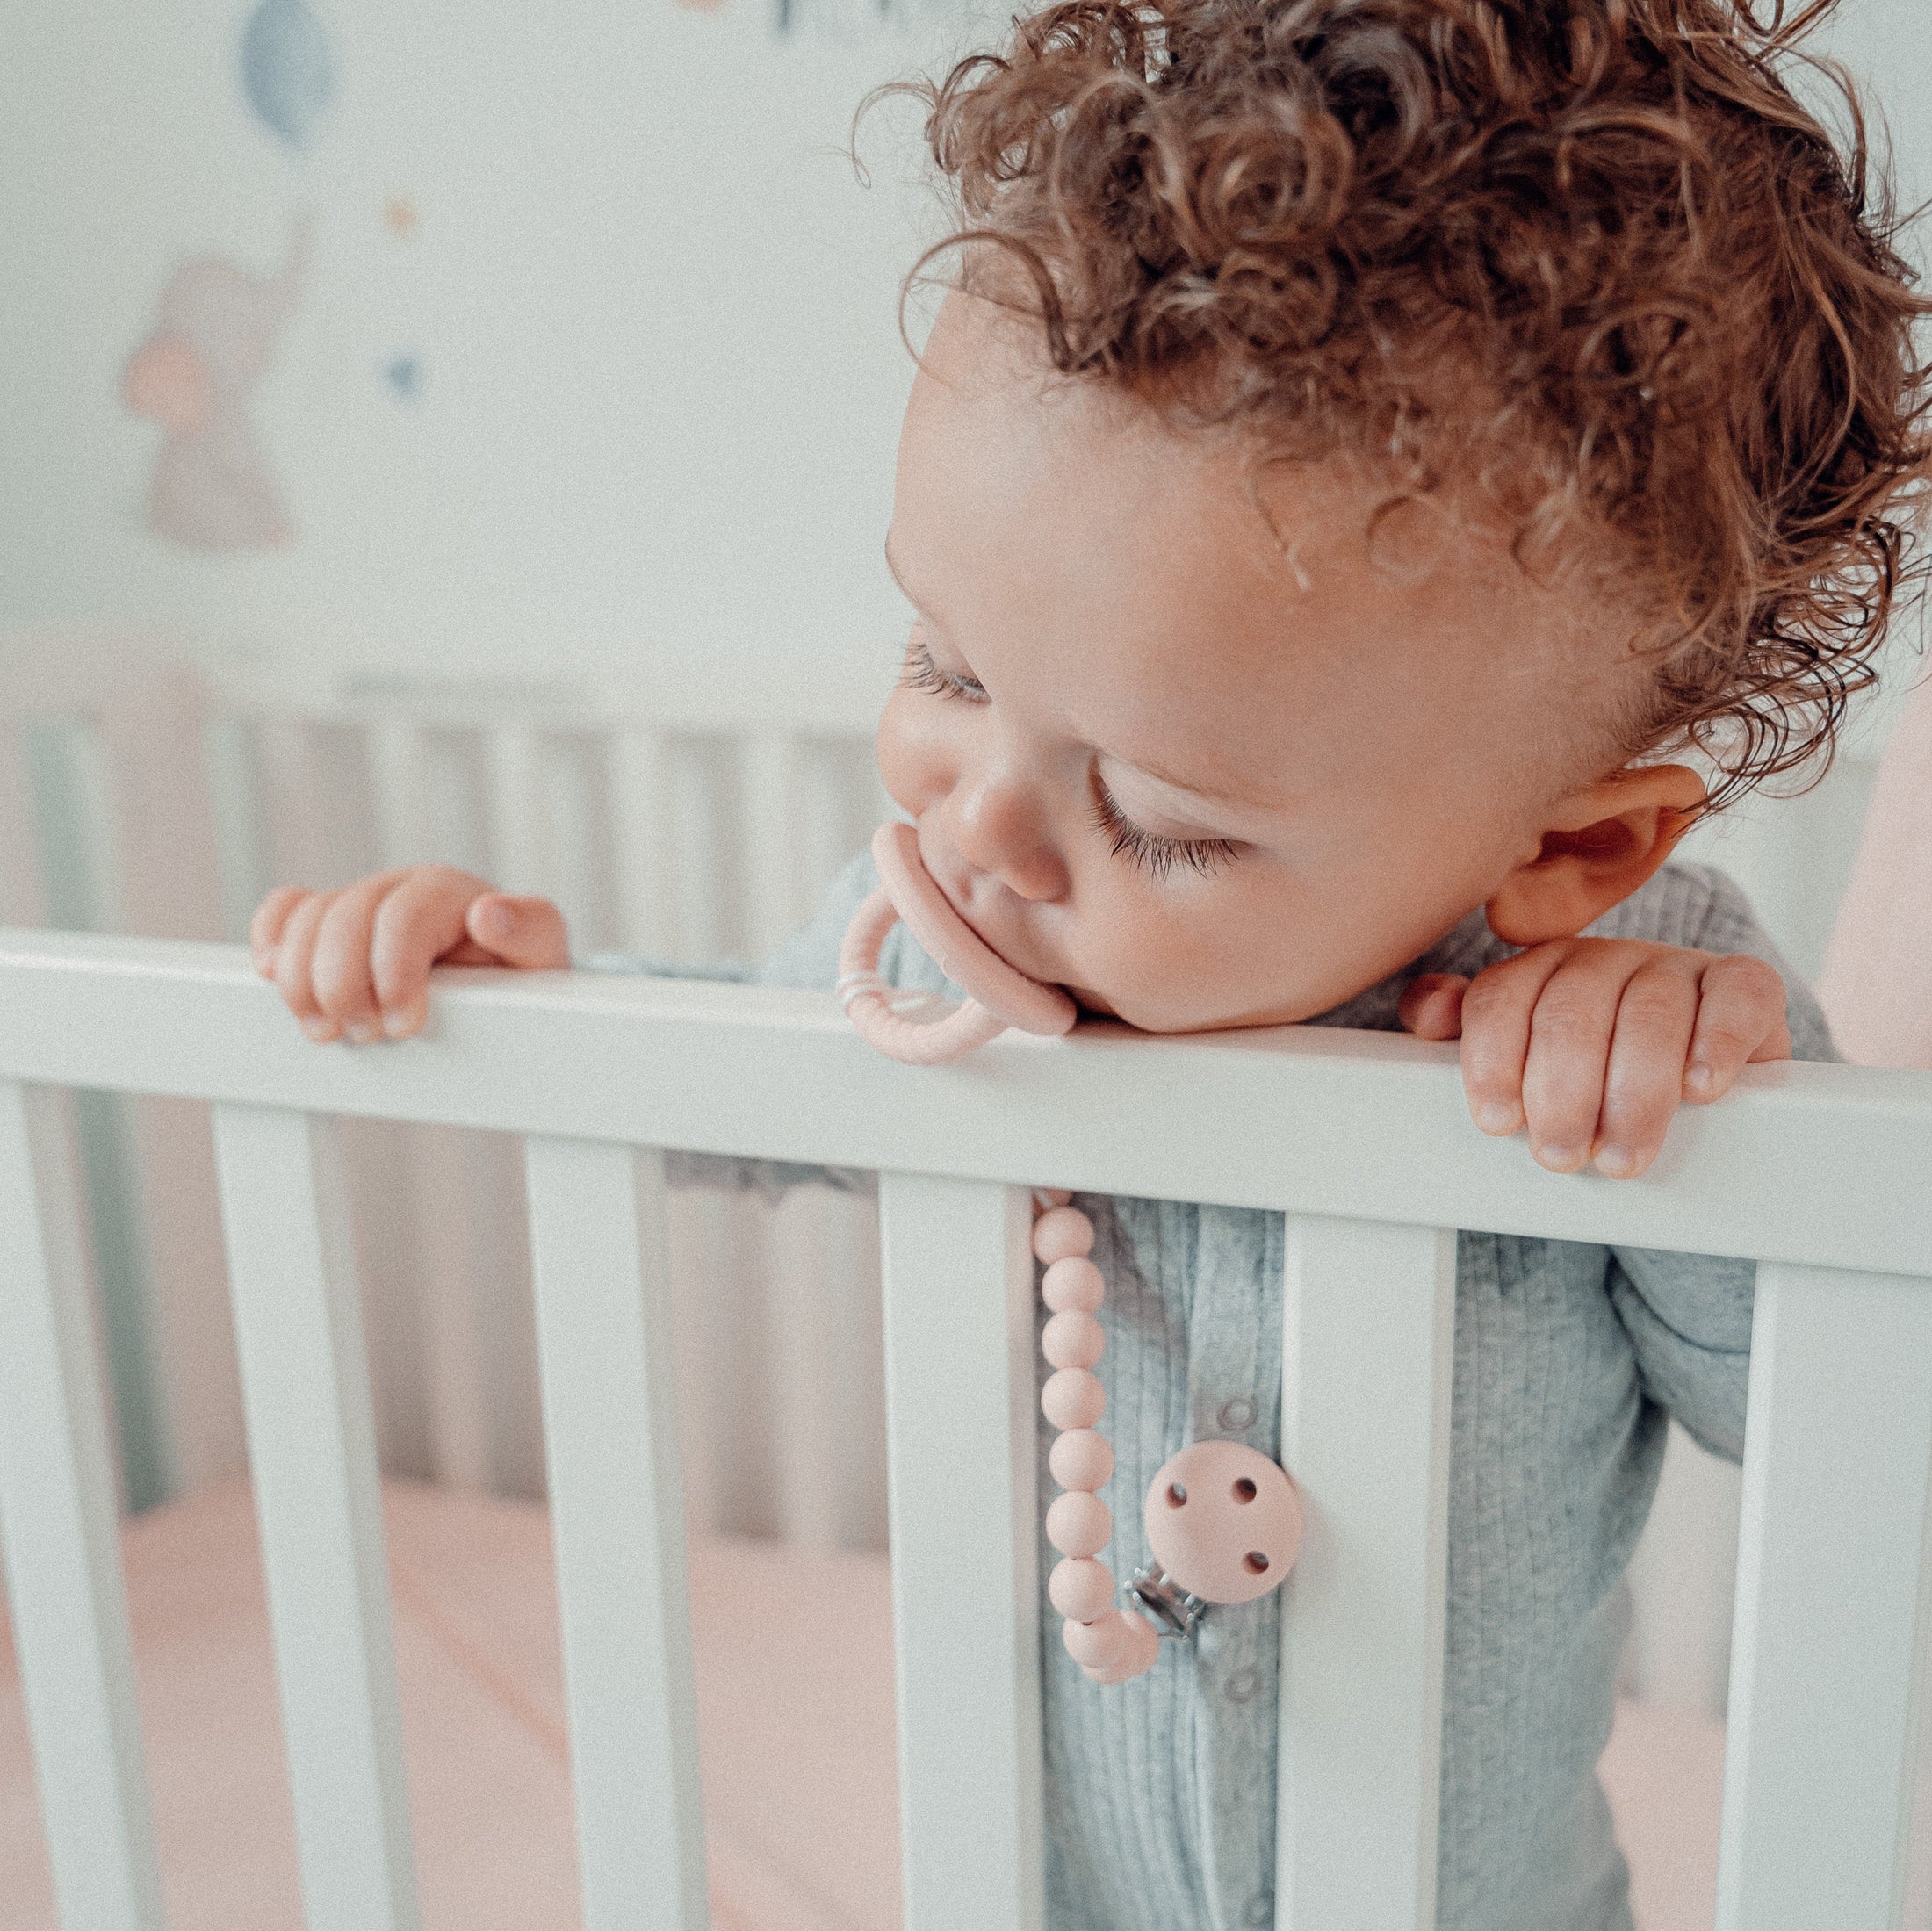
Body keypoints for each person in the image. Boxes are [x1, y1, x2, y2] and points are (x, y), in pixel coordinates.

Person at [249, 3, 1930, 1925]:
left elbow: (1829, 1408)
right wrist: (517, 990)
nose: (983, 823)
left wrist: (1710, 1103)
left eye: (1155, 807)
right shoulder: (927, 944)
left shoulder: (1625, 1005)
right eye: (944, 668)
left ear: (1564, 849)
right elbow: (710, 1087)